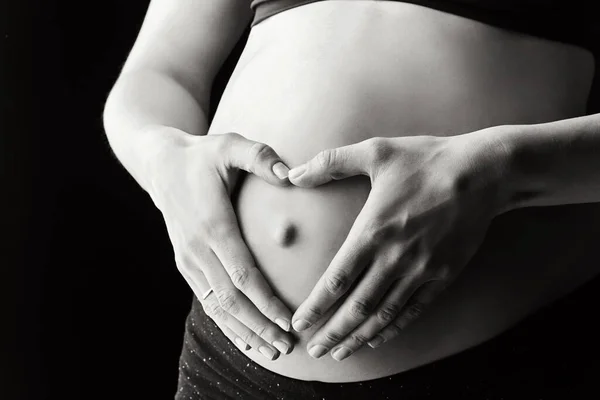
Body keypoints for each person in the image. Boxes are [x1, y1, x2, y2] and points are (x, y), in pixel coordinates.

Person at [102, 0, 600, 398]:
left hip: (492, 357)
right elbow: (160, 72)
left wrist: (500, 170)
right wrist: (161, 156)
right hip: (231, 363)